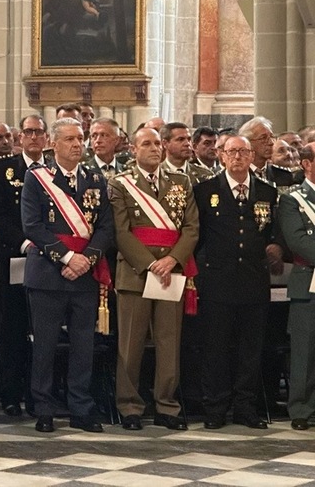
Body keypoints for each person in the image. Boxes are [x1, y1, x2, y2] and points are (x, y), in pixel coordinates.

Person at [21, 117, 113, 433]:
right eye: (70, 139)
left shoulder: (95, 178)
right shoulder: (37, 178)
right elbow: (33, 225)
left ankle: (81, 407)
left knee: (83, 346)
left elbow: (105, 226)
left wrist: (86, 259)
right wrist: (68, 257)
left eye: (80, 138)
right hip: (48, 274)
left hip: (85, 275)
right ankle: (44, 407)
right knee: (45, 346)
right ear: (54, 144)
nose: (77, 144)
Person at [108, 127, 198, 431]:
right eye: (146, 143)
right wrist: (150, 264)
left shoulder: (181, 181)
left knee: (168, 342)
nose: (154, 148)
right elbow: (121, 231)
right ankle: (130, 406)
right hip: (136, 272)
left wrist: (172, 259)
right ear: (133, 149)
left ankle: (167, 405)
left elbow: (191, 227)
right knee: (130, 344)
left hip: (171, 271)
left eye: (158, 143)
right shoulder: (120, 184)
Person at [194, 135, 279, 429]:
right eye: (233, 152)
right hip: (218, 281)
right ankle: (215, 407)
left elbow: (271, 234)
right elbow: (198, 237)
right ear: (222, 156)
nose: (239, 157)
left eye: (244, 151)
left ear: (252, 154)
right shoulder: (206, 191)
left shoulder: (267, 191)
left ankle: (245, 407)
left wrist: (275, 248)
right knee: (215, 348)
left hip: (254, 281)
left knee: (250, 350)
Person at [0, 114, 48, 416]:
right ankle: (10, 394)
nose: (34, 137)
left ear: (46, 138)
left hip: (49, 260)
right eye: (28, 132)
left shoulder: (53, 170)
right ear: (19, 137)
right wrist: (25, 243)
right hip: (15, 257)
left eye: (39, 132)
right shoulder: (4, 169)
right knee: (12, 330)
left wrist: (47, 247)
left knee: (43, 331)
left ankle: (39, 394)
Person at [279, 143, 315, 430]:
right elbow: (297, 241)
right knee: (305, 348)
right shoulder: (293, 200)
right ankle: (301, 408)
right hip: (308, 280)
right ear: (307, 164)